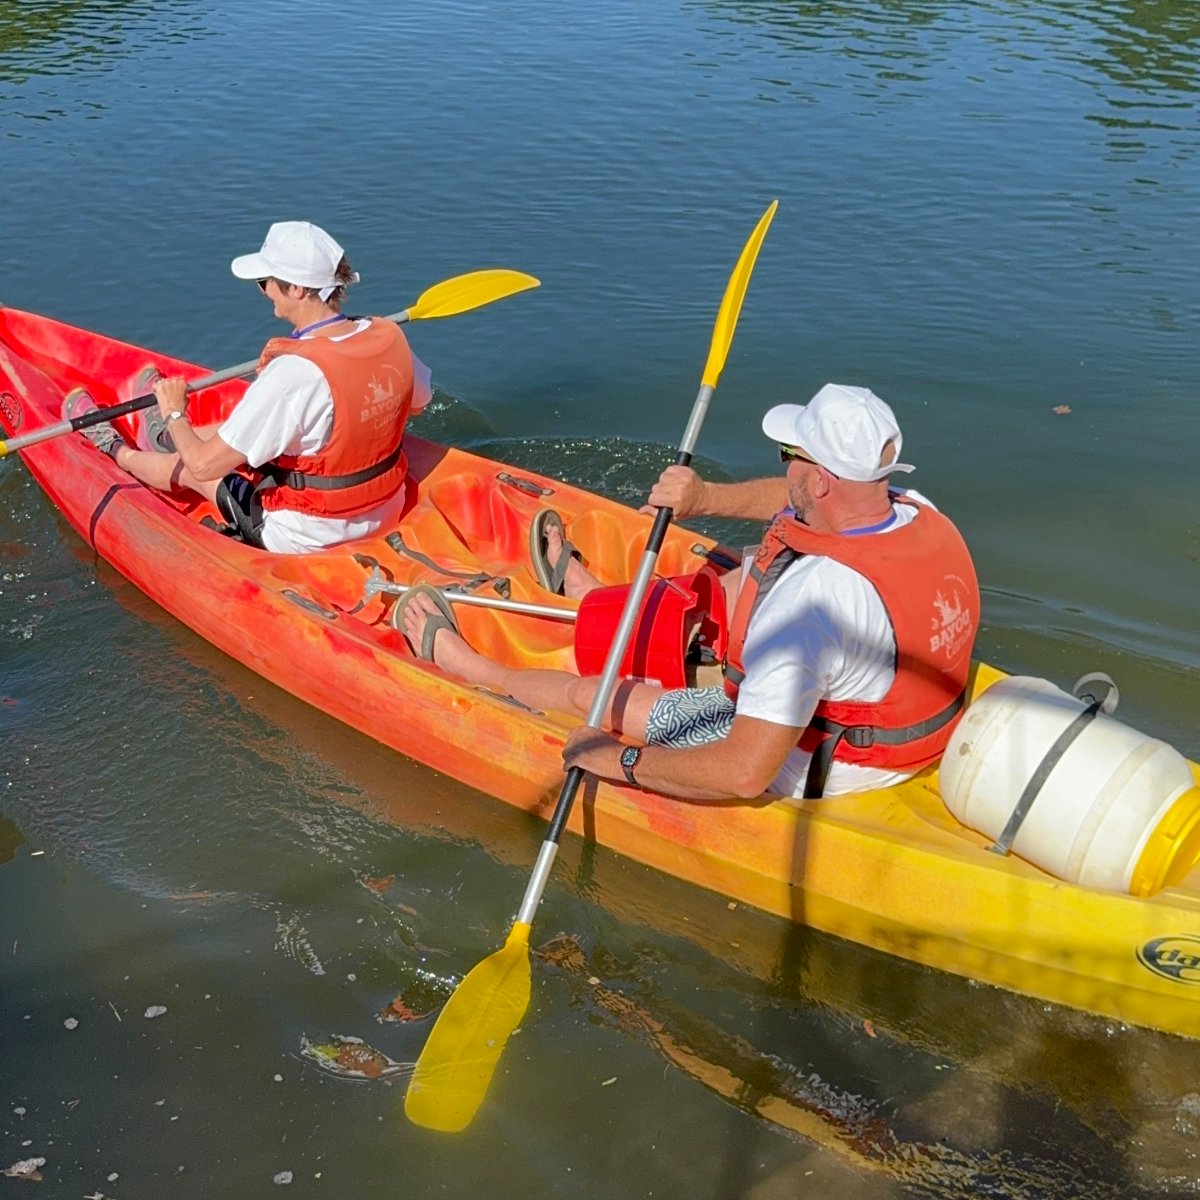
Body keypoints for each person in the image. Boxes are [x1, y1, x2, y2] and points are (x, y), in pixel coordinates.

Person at [400, 383, 980, 802]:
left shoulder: (812, 605)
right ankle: (594, 595)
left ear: (823, 479)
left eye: (790, 457)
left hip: (819, 766)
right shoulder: (914, 511)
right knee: (747, 576)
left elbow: (743, 772)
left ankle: (474, 667)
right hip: (897, 727)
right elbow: (797, 500)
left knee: (598, 697)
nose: (784, 468)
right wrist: (704, 500)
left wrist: (617, 758)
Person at [61, 220, 431, 553]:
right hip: (386, 505)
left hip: (308, 534)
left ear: (299, 290)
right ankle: (162, 435)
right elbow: (417, 404)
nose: (265, 290)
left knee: (190, 467)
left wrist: (176, 409)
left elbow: (204, 467)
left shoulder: (292, 373)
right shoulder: (389, 337)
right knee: (270, 427)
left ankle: (114, 449)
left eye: (264, 282)